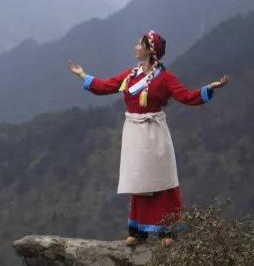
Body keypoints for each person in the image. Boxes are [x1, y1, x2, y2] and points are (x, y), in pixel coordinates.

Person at [68, 30, 230, 247]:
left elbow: (186, 96)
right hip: (134, 133)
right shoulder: (131, 75)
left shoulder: (166, 78)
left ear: (149, 50)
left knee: (161, 179)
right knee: (139, 180)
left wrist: (208, 89)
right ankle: (137, 230)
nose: (135, 47)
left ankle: (167, 231)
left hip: (155, 133)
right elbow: (106, 86)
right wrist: (82, 75)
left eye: (139, 44)